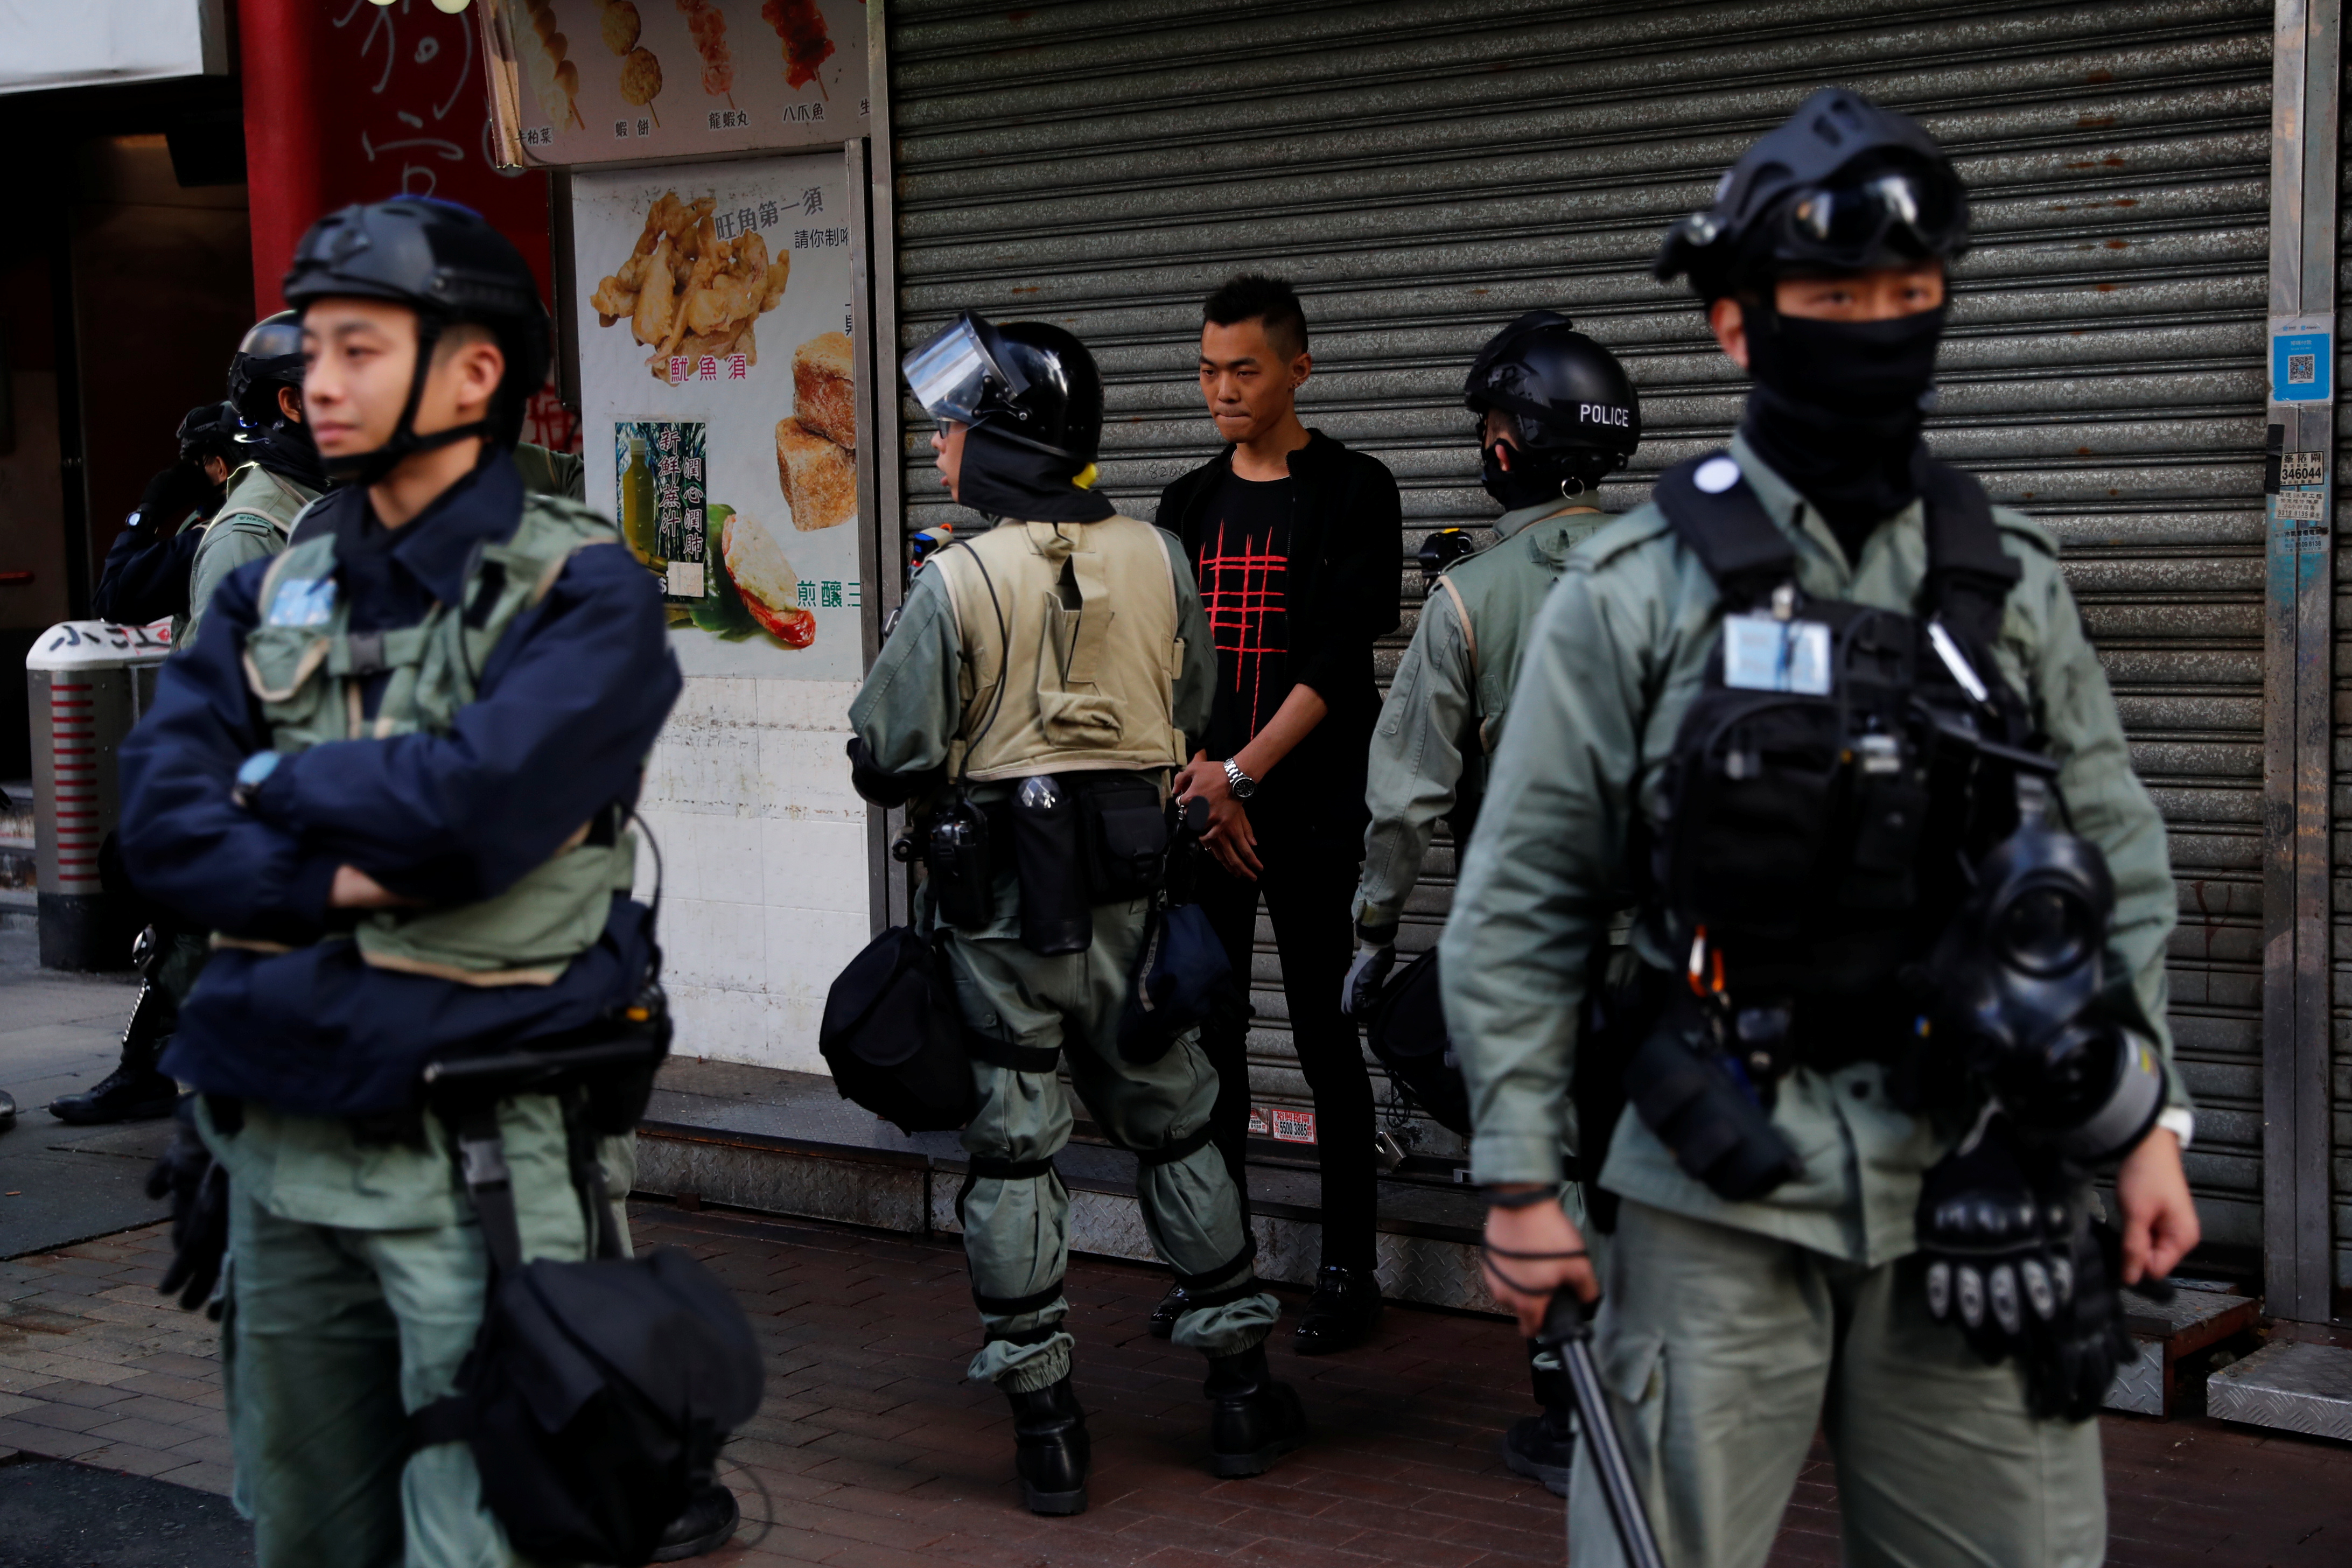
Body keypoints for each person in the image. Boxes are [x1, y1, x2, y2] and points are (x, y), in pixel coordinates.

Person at [1443, 90, 2202, 1568]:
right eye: (1832, 296)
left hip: (1978, 1173)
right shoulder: (1634, 591)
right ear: (1738, 324)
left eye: (1909, 297)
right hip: (1719, 1181)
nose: (1877, 325)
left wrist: (2152, 1126)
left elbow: (2113, 863)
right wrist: (1523, 1175)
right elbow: (1526, 898)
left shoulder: (2008, 580)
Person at [114, 197, 730, 1566]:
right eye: (309, 351)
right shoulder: (271, 589)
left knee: (483, 1538)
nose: (315, 382)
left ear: (474, 371)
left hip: (479, 1165)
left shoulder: (587, 590)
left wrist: (263, 799)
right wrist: (356, 853)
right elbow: (154, 828)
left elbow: (476, 813)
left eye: (357, 345)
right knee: (301, 1535)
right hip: (274, 1155)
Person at [849, 310, 1304, 1514]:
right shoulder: (1162, 554)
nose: (939, 443)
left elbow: (888, 748)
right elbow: (1199, 698)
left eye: (954, 425)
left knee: (1015, 1149)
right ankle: (1243, 1391)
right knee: (1176, 1122)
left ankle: (1048, 1424)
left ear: (1004, 440)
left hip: (1006, 921)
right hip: (1143, 902)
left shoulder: (957, 578)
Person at [1339, 312, 1640, 1494]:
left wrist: (1374, 935)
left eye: (1491, 424)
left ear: (1520, 441)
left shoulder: (1470, 601)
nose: (1484, 442)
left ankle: (1576, 1421)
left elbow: (1403, 804)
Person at [1153, 274, 1404, 1354]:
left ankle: (1348, 1270)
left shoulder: (1356, 488)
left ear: (1299, 367)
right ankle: (1220, 1266)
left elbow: (1342, 662)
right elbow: (1160, 666)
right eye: (1208, 369)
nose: (1222, 389)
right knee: (1209, 1045)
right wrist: (1202, 787)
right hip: (1206, 812)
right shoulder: (1186, 503)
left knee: (1322, 1037)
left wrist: (1241, 777)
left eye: (1243, 369)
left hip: (1307, 813)